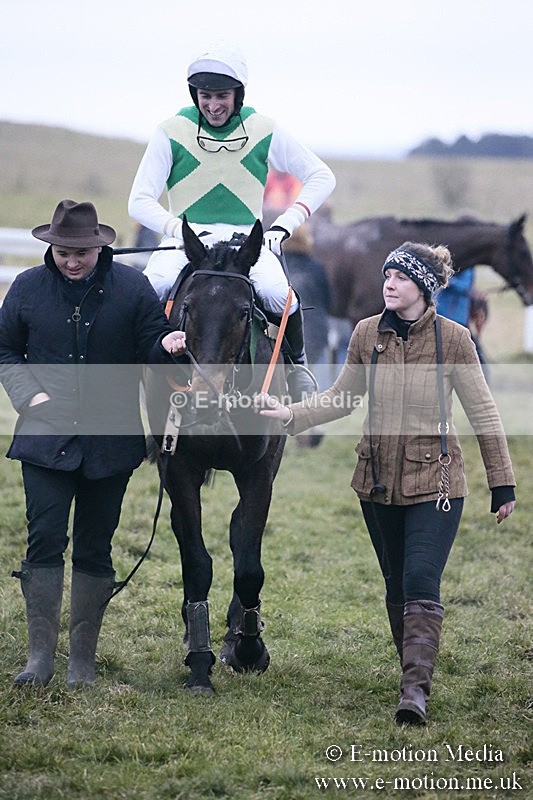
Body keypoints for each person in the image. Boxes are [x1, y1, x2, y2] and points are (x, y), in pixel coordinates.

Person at [257, 241, 516, 725]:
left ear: (423, 286)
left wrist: (502, 484)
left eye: (399, 277)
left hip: (437, 483)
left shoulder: (454, 340)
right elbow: (341, 398)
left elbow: (483, 412)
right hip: (375, 482)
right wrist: (291, 413)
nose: (388, 284)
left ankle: (414, 691)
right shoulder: (365, 334)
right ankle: (411, 667)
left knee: (421, 579)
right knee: (396, 584)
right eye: (386, 276)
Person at [0, 199, 186, 689]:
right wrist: (27, 393)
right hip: (45, 436)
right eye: (64, 252)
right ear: (52, 248)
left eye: (81, 252)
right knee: (43, 539)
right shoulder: (26, 288)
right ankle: (39, 660)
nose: (73, 261)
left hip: (111, 441)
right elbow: (4, 349)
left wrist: (167, 345)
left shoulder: (132, 287)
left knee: (95, 546)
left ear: (99, 247)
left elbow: (152, 341)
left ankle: (82, 664)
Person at [128, 41, 336, 399]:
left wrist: (284, 226)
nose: (213, 105)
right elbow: (138, 201)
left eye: (221, 95)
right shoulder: (170, 131)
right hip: (186, 241)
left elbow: (322, 176)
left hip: (246, 244)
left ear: (237, 94)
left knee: (280, 296)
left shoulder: (264, 129)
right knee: (148, 291)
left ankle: (298, 369)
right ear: (195, 95)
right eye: (205, 95)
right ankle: (126, 373)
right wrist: (179, 231)